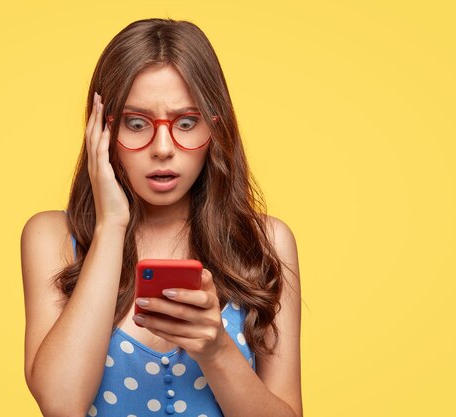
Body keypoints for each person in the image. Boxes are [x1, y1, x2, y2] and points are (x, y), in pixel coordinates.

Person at [21, 18, 302, 417]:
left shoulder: (267, 241)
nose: (164, 147)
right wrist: (111, 226)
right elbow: (61, 405)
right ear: (101, 130)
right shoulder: (51, 237)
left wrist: (216, 349)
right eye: (137, 124)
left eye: (187, 123)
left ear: (215, 127)